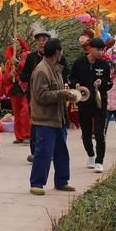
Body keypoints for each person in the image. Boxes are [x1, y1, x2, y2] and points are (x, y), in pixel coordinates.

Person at [29, 38, 77, 195]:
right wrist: (62, 93)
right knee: (43, 152)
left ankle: (62, 181)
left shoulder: (56, 68)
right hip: (45, 120)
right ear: (57, 52)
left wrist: (65, 95)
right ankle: (37, 183)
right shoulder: (41, 70)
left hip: (58, 118)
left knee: (61, 152)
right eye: (61, 50)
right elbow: (41, 96)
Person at [21, 29, 69, 162]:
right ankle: (35, 152)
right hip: (36, 96)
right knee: (37, 124)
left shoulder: (60, 60)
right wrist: (35, 77)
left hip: (57, 101)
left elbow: (66, 75)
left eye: (44, 40)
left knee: (57, 135)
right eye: (39, 40)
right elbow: (23, 76)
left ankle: (52, 157)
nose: (41, 43)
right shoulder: (33, 59)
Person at [69, 38, 112, 173]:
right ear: (90, 48)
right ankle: (91, 155)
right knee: (86, 133)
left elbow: (109, 83)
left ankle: (100, 161)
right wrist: (75, 84)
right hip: (84, 103)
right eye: (98, 49)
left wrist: (102, 82)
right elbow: (71, 78)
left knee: (100, 133)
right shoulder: (79, 63)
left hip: (100, 103)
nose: (100, 52)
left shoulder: (104, 65)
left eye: (102, 50)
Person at [1, 37, 31, 144]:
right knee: (16, 112)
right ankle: (19, 136)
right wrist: (10, 75)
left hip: (25, 87)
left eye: (17, 43)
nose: (15, 45)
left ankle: (27, 134)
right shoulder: (9, 61)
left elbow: (29, 68)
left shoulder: (27, 55)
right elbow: (4, 77)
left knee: (25, 111)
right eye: (13, 43)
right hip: (14, 88)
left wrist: (18, 63)